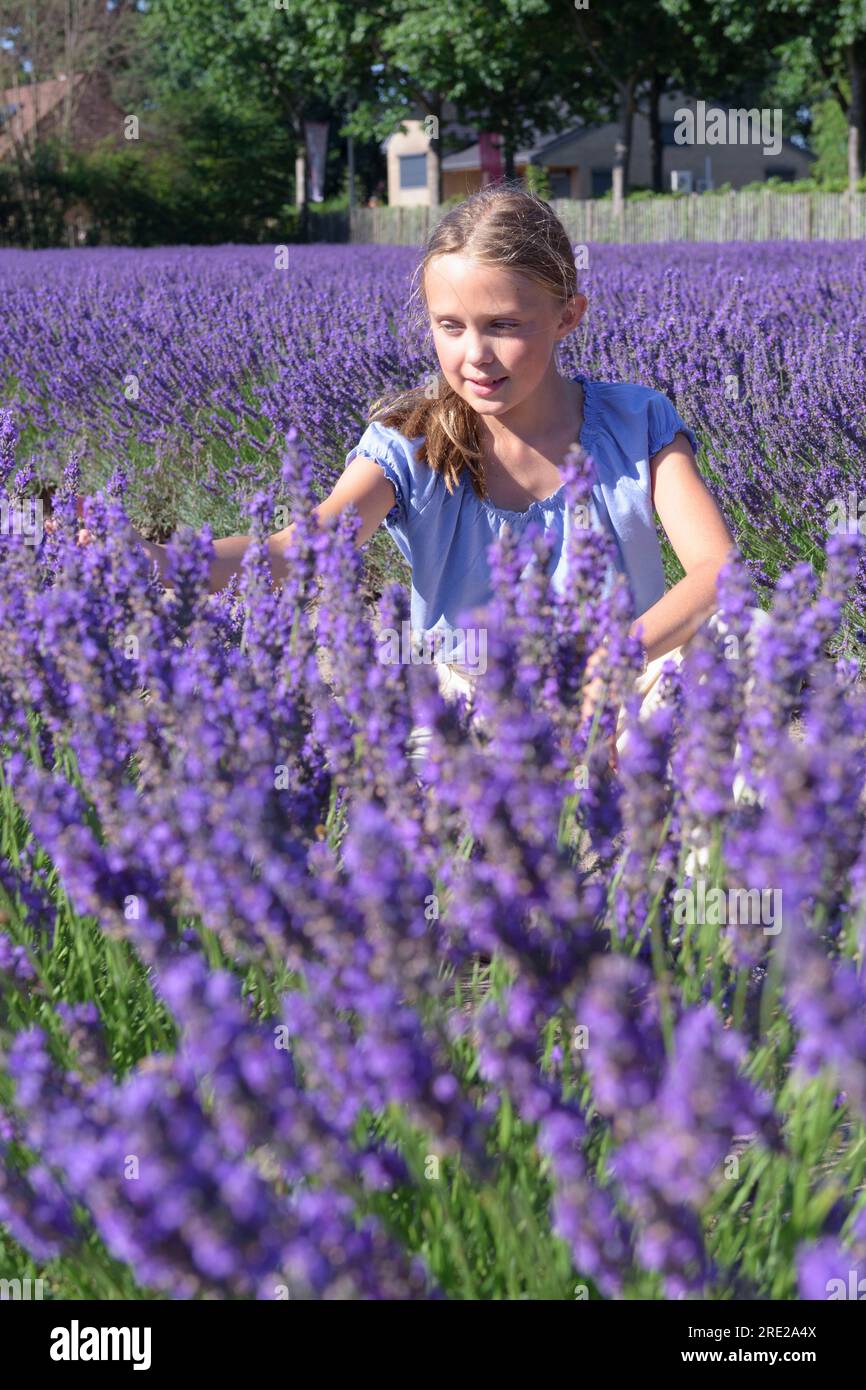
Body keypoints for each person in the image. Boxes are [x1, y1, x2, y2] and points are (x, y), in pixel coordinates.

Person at [123, 181, 763, 781]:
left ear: (569, 316)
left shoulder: (636, 422)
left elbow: (718, 570)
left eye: (504, 325)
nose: (474, 355)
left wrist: (616, 657)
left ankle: (707, 843)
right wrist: (155, 564)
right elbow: (300, 551)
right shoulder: (411, 445)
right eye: (450, 327)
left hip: (624, 678)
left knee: (747, 636)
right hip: (472, 694)